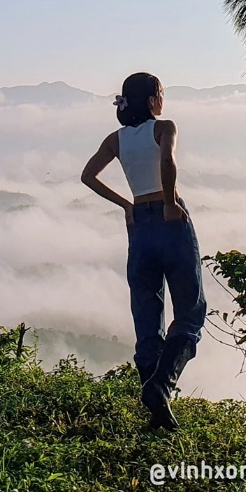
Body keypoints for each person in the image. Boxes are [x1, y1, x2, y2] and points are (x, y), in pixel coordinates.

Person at [80, 72, 207, 430]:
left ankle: (156, 412)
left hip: (139, 225)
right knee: (190, 312)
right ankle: (161, 387)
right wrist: (169, 202)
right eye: (161, 92)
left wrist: (126, 205)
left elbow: (88, 176)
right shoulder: (164, 127)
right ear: (153, 98)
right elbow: (167, 160)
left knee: (146, 315)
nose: (163, 99)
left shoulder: (116, 139)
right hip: (170, 221)